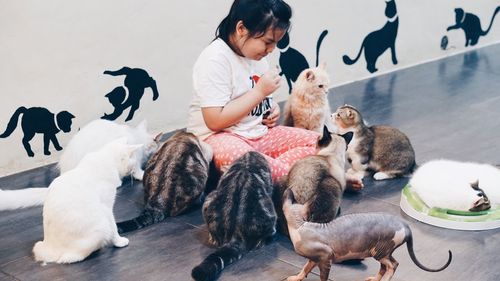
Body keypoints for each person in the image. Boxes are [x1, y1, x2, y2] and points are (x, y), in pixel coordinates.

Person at [187, 0, 319, 182]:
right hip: (218, 139)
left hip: (258, 135)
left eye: (276, 43)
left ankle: (275, 174)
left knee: (324, 143)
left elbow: (258, 105)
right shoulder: (215, 59)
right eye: (268, 42)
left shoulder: (258, 58)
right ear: (241, 28)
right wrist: (259, 92)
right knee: (248, 161)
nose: (272, 50)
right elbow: (214, 121)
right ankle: (300, 176)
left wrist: (271, 111)